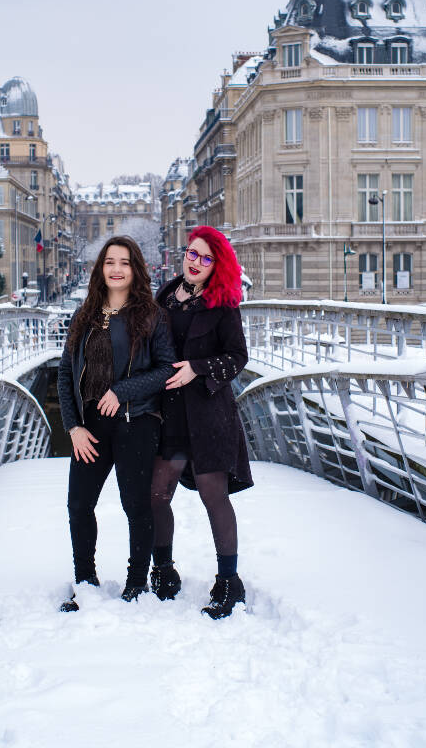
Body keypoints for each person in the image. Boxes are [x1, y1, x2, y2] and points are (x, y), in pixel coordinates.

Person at [57, 237, 175, 610]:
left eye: (124, 262)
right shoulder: (85, 314)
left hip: (135, 420)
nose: (117, 269)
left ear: (135, 268)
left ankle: (136, 584)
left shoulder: (151, 316)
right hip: (91, 426)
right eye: (110, 262)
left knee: (135, 505)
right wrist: (73, 426)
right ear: (100, 268)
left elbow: (165, 370)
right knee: (79, 504)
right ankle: (85, 581)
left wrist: (123, 390)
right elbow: (65, 373)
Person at [151, 226, 252, 619]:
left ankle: (229, 581)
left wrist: (198, 368)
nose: (195, 262)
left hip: (210, 413)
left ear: (217, 266)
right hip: (170, 414)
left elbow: (237, 356)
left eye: (206, 259)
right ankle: (163, 570)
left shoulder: (224, 304)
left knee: (214, 497)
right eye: (192, 254)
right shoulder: (165, 297)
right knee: (157, 495)